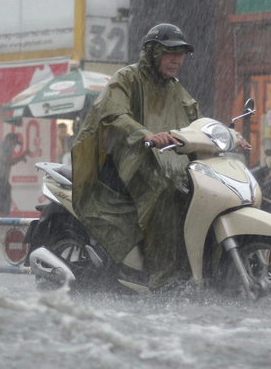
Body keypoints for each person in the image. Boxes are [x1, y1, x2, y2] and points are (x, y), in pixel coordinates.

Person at [71, 23, 202, 290]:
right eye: (170, 52)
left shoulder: (174, 87)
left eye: (181, 54)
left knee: (194, 188)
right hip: (125, 162)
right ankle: (162, 279)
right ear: (153, 52)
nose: (177, 60)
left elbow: (196, 117)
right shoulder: (126, 78)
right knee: (164, 190)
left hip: (163, 159)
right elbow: (114, 114)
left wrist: (225, 134)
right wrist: (145, 134)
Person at [0, 133, 30, 217]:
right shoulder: (1, 146)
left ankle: (4, 222)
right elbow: (6, 160)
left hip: (4, 181)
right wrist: (21, 157)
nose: (14, 146)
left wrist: (21, 158)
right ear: (10, 141)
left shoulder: (9, 151)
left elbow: (11, 162)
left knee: (6, 205)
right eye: (14, 143)